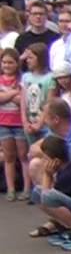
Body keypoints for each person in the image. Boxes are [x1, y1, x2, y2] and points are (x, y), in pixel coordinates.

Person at [0, 47, 25, 200]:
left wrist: (6, 95)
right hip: (3, 122)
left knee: (23, 156)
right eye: (4, 62)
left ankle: (27, 188)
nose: (7, 65)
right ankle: (11, 189)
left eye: (10, 62)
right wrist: (14, 93)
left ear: (17, 64)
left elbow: (21, 100)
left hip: (19, 123)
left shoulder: (23, 80)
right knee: (9, 157)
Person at [20, 42, 54, 147]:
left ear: (40, 58)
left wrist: (39, 124)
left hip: (45, 125)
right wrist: (25, 121)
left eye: (31, 57)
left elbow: (49, 102)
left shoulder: (50, 78)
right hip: (29, 123)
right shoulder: (26, 77)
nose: (27, 60)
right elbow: (23, 101)